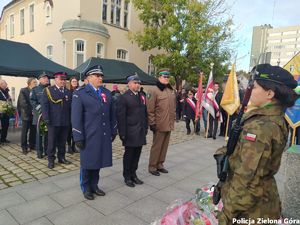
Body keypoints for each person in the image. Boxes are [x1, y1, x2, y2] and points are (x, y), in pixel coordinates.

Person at [215, 64, 298, 224]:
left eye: (255, 87)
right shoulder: (264, 118)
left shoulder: (261, 127)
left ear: (269, 93)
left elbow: (247, 180)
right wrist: (223, 153)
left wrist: (226, 215)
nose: (250, 90)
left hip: (251, 211)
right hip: (258, 202)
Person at [72, 65, 117, 200]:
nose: (100, 78)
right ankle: (86, 188)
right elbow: (76, 117)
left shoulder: (106, 93)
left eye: (101, 76)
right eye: (97, 76)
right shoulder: (80, 93)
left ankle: (94, 185)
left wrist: (113, 130)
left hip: (102, 133)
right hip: (88, 134)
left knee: (98, 161)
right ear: (89, 78)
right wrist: (78, 136)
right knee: (87, 163)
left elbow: (112, 114)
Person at [117, 74, 148, 187]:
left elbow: (145, 113)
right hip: (130, 132)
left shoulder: (141, 96)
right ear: (129, 84)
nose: (137, 85)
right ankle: (127, 176)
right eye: (135, 83)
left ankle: (134, 174)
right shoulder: (124, 97)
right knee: (129, 155)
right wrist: (122, 133)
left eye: (139, 83)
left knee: (137, 154)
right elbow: (121, 117)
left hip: (140, 131)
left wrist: (145, 127)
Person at [147, 68, 176, 176]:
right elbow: (150, 109)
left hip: (168, 123)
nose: (166, 78)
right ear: (159, 77)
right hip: (159, 124)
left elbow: (173, 107)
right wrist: (152, 123)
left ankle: (160, 164)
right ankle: (152, 166)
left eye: (168, 77)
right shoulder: (153, 90)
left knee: (164, 146)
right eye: (164, 76)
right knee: (157, 146)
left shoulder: (170, 90)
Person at [41, 72, 72, 169]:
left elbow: (70, 107)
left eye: (64, 79)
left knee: (62, 141)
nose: (63, 81)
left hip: (65, 121)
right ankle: (51, 160)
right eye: (60, 79)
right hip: (53, 121)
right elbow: (45, 105)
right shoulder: (48, 90)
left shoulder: (68, 92)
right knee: (52, 142)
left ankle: (61, 157)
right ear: (55, 80)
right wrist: (46, 118)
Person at [30, 72, 49, 158]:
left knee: (48, 135)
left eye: (47, 78)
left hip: (49, 116)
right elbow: (32, 101)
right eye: (44, 78)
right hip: (39, 116)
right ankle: (39, 152)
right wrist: (41, 109)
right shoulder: (35, 89)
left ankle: (47, 151)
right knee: (40, 135)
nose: (46, 79)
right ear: (40, 79)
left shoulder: (50, 88)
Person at [17, 77, 37, 154]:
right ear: (29, 83)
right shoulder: (23, 90)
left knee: (33, 130)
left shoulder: (35, 91)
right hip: (26, 114)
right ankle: (24, 147)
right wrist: (32, 110)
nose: (36, 84)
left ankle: (32, 145)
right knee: (25, 131)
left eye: (36, 82)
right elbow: (23, 103)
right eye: (34, 82)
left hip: (34, 114)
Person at [67, 77, 79, 154]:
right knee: (69, 131)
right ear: (70, 83)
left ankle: (73, 145)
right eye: (73, 81)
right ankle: (69, 146)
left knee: (75, 131)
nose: (74, 82)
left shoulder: (79, 91)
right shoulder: (68, 92)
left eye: (75, 81)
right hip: (69, 114)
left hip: (77, 114)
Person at [0, 79, 12, 144]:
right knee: (1, 126)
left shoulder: (6, 91)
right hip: (0, 112)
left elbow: (8, 100)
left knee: (6, 125)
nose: (6, 84)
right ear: (1, 84)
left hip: (6, 111)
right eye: (5, 83)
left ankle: (3, 139)